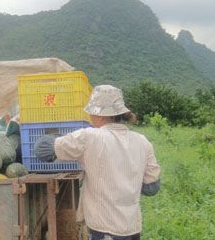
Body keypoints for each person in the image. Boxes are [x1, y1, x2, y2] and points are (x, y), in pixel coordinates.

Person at [35, 85, 161, 240]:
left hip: (103, 228)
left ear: (101, 115)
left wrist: (62, 137)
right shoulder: (142, 141)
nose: (89, 117)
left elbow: (42, 150)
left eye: (91, 113)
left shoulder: (89, 137)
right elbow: (152, 188)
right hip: (131, 228)